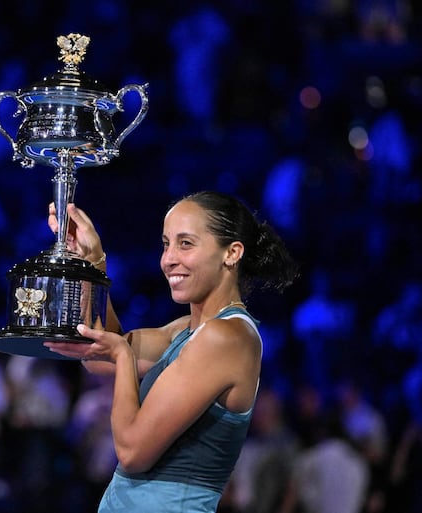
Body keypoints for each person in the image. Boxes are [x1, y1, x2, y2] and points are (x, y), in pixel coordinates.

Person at [43, 191, 299, 513]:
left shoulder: (226, 337)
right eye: (166, 244)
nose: (168, 259)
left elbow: (132, 452)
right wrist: (91, 260)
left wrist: (123, 355)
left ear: (232, 253)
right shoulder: (187, 331)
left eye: (185, 243)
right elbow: (98, 353)